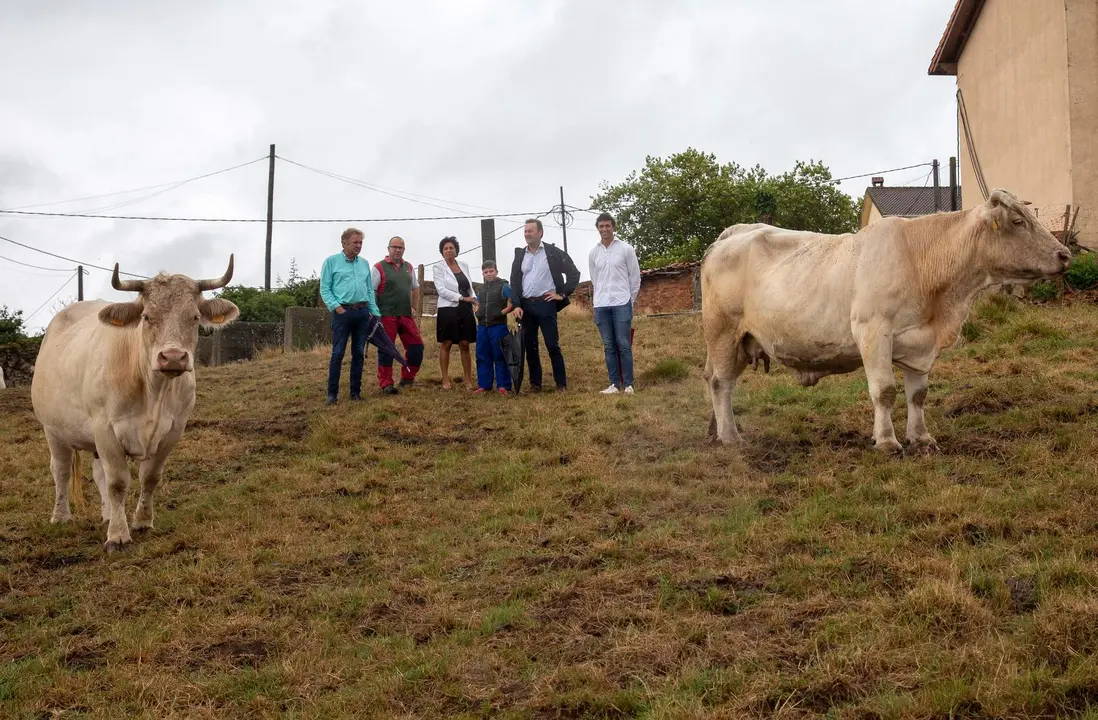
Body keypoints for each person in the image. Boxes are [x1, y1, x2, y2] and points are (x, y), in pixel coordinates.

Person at [509, 218, 580, 392]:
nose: (527, 234)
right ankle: (535, 384)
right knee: (530, 345)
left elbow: (573, 273)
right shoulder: (520, 255)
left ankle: (561, 384)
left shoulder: (553, 252)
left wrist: (561, 294)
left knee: (552, 345)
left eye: (531, 231)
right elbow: (515, 282)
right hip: (526, 306)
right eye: (525, 231)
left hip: (546, 304)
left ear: (540, 233)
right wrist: (517, 304)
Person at [319, 227, 381, 405]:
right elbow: (325, 288)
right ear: (344, 243)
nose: (359, 246)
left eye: (361, 242)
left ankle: (355, 393)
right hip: (343, 313)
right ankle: (332, 394)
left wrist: (374, 311)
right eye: (355, 242)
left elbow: (369, 289)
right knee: (338, 354)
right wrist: (336, 307)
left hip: (362, 313)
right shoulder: (331, 262)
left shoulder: (364, 263)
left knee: (359, 353)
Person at [588, 212, 641, 395]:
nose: (604, 229)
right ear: (598, 229)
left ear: (613, 227)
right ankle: (614, 384)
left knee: (623, 344)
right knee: (609, 345)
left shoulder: (626, 249)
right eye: (601, 226)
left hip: (621, 302)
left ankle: (628, 384)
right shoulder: (594, 252)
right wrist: (599, 298)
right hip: (601, 304)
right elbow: (595, 278)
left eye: (607, 226)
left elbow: (635, 277)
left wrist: (629, 300)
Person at [371, 235, 423, 395]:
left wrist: (414, 307)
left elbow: (415, 287)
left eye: (400, 247)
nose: (397, 250)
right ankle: (386, 383)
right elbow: (371, 291)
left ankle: (408, 378)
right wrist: (374, 313)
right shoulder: (378, 267)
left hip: (405, 314)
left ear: (404, 249)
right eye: (394, 247)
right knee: (387, 349)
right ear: (388, 249)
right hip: (386, 314)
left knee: (417, 347)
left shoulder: (409, 267)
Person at [431, 236, 477, 390]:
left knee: (465, 343)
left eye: (451, 248)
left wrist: (474, 299)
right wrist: (462, 298)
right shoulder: (438, 267)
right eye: (446, 248)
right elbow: (441, 290)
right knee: (447, 343)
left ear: (456, 250)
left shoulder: (464, 265)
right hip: (447, 308)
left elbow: (469, 286)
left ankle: (468, 380)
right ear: (442, 252)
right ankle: (445, 380)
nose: (449, 250)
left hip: (465, 308)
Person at [473, 259, 516, 395]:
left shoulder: (504, 286)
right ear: (483, 274)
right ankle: (484, 385)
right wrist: (477, 312)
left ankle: (503, 385)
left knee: (500, 355)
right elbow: (477, 303)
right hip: (482, 327)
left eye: (491, 271)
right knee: (482, 355)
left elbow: (513, 301)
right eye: (485, 272)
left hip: (498, 326)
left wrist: (501, 313)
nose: (489, 274)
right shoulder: (482, 289)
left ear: (496, 271)